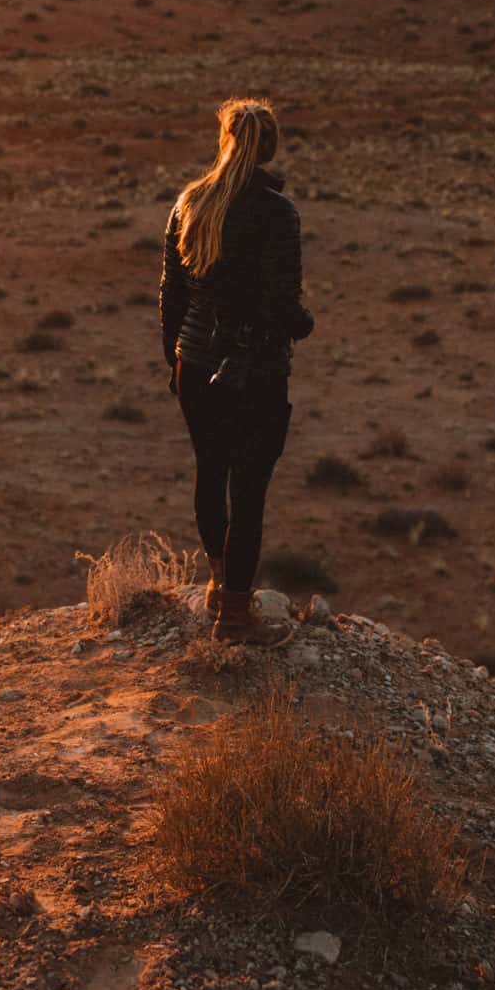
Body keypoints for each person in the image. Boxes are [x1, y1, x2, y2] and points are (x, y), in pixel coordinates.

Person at [159, 97, 314, 646]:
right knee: (249, 490)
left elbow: (171, 295)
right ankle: (234, 618)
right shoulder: (278, 214)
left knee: (210, 472)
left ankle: (221, 585)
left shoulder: (190, 202)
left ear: (224, 140)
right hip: (254, 371)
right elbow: (282, 306)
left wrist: (175, 358)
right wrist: (306, 323)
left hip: (193, 364)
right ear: (269, 147)